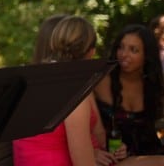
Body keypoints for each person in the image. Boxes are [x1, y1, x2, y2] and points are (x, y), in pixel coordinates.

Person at [14, 15, 130, 166]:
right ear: (91, 52)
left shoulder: (32, 78)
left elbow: (99, 136)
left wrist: (111, 149)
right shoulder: (73, 90)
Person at [94, 24, 164, 158]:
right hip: (109, 158)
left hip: (149, 156)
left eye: (134, 50)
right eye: (121, 47)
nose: (124, 55)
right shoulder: (99, 82)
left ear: (146, 56)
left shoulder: (154, 87)